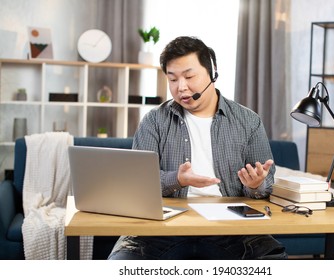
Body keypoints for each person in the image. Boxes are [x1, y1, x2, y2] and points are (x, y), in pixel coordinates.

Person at [108, 36, 287, 260]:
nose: (181, 87)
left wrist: (256, 185)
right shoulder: (153, 121)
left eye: (189, 76)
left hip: (230, 229)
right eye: (172, 79)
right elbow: (137, 183)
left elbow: (266, 185)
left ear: (212, 73)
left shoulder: (248, 121)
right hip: (162, 228)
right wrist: (178, 179)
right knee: (120, 264)